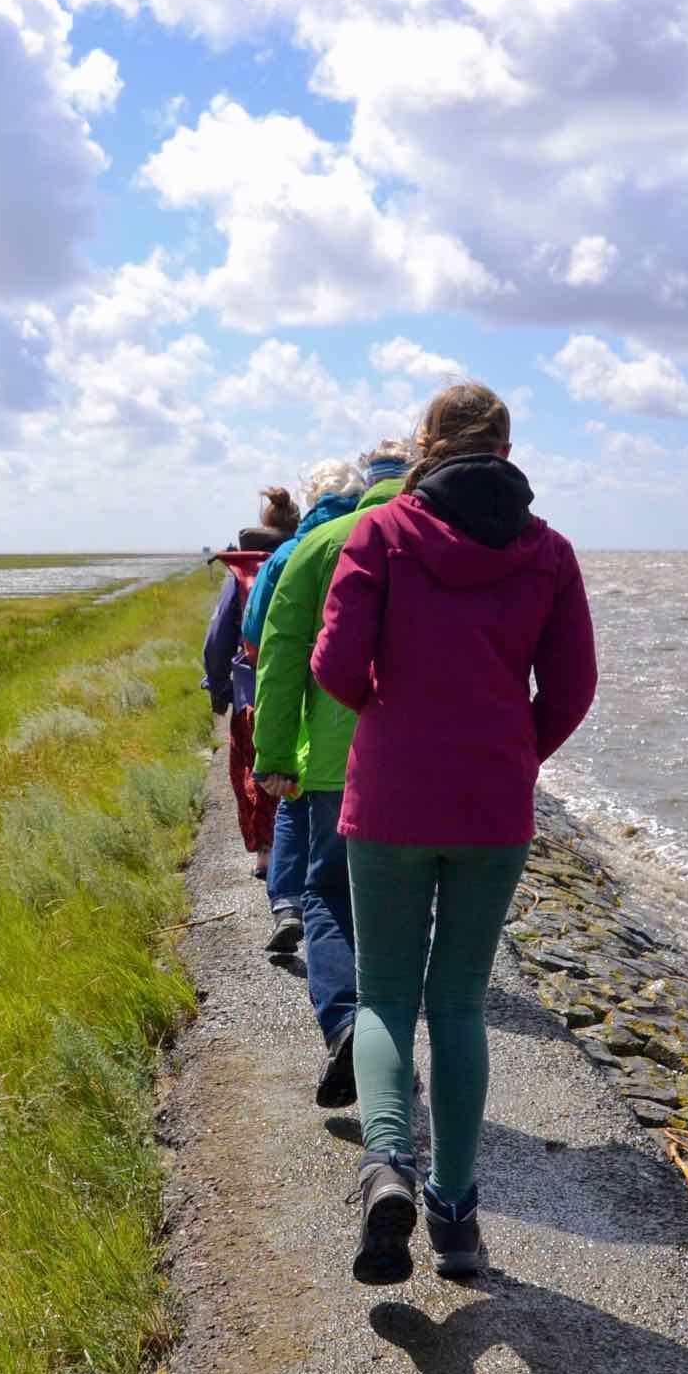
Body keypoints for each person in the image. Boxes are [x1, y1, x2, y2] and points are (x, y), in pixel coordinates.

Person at [311, 383, 597, 1284]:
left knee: (387, 993)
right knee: (462, 1001)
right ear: (507, 450)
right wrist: (514, 747)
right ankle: (456, 1212)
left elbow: (333, 664)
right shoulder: (547, 551)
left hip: (392, 796)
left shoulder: (383, 533)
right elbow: (575, 688)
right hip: (491, 803)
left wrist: (394, 722)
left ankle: (387, 1163)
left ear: (427, 445)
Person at [251, 439, 413, 1106]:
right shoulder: (427, 536)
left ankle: (347, 1024)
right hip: (417, 761)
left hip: (331, 761)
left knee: (330, 900)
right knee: (400, 916)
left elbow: (280, 656)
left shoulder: (314, 548)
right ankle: (389, 1047)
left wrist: (275, 756)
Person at [244, 458, 365, 951]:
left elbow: (257, 636)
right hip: (355, 715)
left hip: (293, 700)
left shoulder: (292, 552)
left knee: (295, 803)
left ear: (312, 498)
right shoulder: (371, 540)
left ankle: (288, 904)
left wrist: (267, 748)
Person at [202, 488, 299, 872]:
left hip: (248, 691)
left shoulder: (241, 571)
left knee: (251, 770)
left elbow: (216, 639)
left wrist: (217, 685)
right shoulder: (299, 561)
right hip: (296, 685)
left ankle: (265, 854)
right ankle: (298, 850)